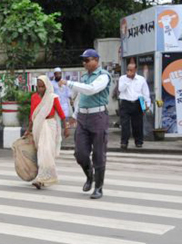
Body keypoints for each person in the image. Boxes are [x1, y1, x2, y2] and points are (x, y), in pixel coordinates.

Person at [59, 49, 112, 199]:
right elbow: (80, 96)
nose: (84, 63)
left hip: (98, 116)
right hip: (83, 117)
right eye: (83, 60)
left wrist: (68, 83)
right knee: (80, 153)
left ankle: (98, 188)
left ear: (96, 60)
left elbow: (91, 90)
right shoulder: (84, 77)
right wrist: (74, 115)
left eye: (87, 60)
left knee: (98, 154)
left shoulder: (103, 76)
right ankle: (90, 175)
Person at [23, 75, 69, 189]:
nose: (40, 89)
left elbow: (61, 113)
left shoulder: (52, 97)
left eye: (42, 87)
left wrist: (66, 127)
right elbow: (32, 115)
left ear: (47, 86)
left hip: (49, 125)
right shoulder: (34, 97)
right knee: (40, 152)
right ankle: (43, 177)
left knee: (46, 151)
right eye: (38, 87)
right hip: (38, 126)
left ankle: (41, 179)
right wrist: (28, 130)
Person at [118, 62, 151, 149]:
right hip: (125, 102)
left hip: (137, 102)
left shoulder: (141, 79)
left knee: (137, 123)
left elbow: (145, 92)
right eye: (128, 70)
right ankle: (124, 142)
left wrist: (147, 103)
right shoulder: (123, 78)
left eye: (131, 70)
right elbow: (120, 89)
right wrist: (128, 79)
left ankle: (139, 141)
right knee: (125, 124)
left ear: (135, 70)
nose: (129, 72)